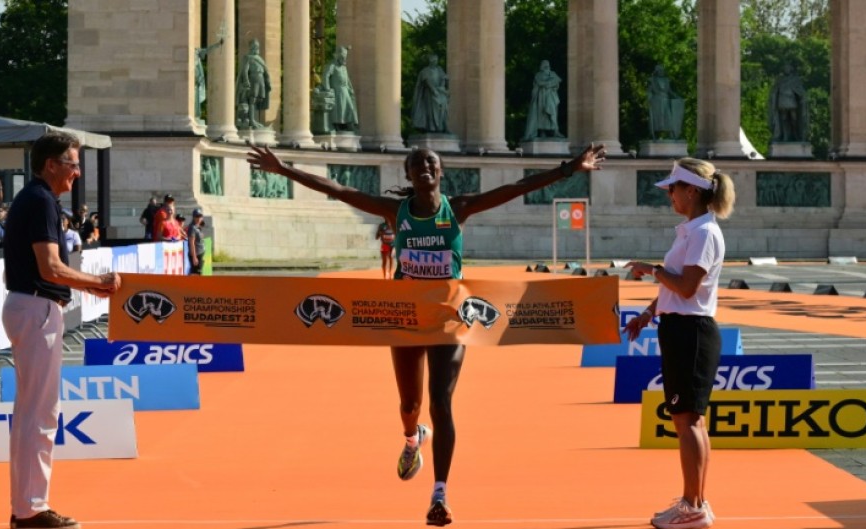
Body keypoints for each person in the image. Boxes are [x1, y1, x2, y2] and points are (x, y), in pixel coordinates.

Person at [247, 141, 606, 526]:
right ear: (408, 175)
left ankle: (440, 494)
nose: (424, 168)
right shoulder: (394, 212)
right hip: (404, 318)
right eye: (416, 164)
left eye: (431, 163)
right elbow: (339, 191)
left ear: (441, 172)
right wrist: (283, 169)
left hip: (448, 318)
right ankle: (412, 437)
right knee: (409, 406)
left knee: (441, 402)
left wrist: (570, 167)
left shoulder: (460, 208)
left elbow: (517, 188)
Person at [2, 131, 121, 529]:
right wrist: (96, 283)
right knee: (39, 415)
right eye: (72, 163)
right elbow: (50, 267)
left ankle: (27, 507)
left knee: (31, 414)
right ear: (50, 164)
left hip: (31, 305)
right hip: (36, 306)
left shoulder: (37, 199)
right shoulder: (40, 201)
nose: (77, 172)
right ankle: (31, 509)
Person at [623, 158, 736, 529]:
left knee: (686, 422)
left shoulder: (703, 232)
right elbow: (678, 286)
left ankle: (692, 505)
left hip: (691, 332)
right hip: (684, 329)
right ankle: (696, 502)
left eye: (673, 188)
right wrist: (648, 313)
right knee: (691, 421)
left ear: (692, 190)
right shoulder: (694, 230)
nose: (669, 194)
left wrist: (649, 269)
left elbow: (686, 287)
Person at [320, 46, 359, 131]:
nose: (344, 59)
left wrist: (350, 88)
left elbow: (347, 78)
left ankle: (348, 123)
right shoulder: (332, 65)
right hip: (337, 90)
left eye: (345, 57)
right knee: (339, 109)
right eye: (342, 57)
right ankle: (338, 124)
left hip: (345, 90)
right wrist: (327, 88)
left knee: (349, 107)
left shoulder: (344, 67)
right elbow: (326, 76)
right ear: (338, 56)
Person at [522, 60, 563, 141]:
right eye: (544, 64)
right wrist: (550, 83)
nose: (546, 66)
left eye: (547, 64)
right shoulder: (538, 74)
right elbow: (540, 83)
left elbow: (557, 81)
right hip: (542, 97)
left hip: (552, 97)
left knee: (553, 114)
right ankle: (542, 132)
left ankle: (556, 131)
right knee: (542, 115)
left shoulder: (553, 73)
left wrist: (548, 83)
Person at [236, 39, 271, 130]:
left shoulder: (260, 59)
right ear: (251, 47)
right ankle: (251, 120)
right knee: (252, 99)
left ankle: (255, 120)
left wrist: (268, 82)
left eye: (257, 46)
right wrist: (246, 80)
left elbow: (265, 71)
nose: (256, 48)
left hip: (261, 80)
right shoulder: (248, 57)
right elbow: (245, 70)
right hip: (254, 79)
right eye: (255, 46)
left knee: (259, 100)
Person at [768, 62, 808, 142]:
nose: (786, 69)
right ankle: (785, 136)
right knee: (784, 119)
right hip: (782, 102)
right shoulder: (780, 80)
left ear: (791, 69)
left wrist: (802, 98)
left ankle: (796, 134)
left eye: (787, 68)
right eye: (785, 68)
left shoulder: (795, 79)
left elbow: (800, 92)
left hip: (792, 102)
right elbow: (775, 91)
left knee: (794, 118)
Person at [411, 53, 449, 133]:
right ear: (430, 61)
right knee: (432, 110)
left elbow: (443, 79)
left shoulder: (439, 69)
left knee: (443, 107)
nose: (435, 62)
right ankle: (432, 127)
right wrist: (434, 90)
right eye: (434, 60)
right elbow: (427, 82)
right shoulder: (425, 71)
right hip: (430, 94)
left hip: (440, 93)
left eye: (436, 60)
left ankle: (442, 126)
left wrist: (442, 85)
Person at [647, 64, 683, 140]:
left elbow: (669, 90)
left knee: (668, 116)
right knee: (657, 118)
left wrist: (676, 96)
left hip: (665, 100)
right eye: (660, 70)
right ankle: (655, 134)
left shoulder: (666, 80)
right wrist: (649, 98)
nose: (661, 72)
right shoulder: (653, 80)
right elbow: (649, 91)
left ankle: (672, 133)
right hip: (656, 101)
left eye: (662, 70)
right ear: (657, 71)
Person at [194, 38, 224, 120]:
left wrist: (218, 44)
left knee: (196, 100)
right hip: (192, 81)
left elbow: (208, 50)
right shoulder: (193, 53)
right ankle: (195, 115)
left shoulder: (197, 52)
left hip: (196, 81)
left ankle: (196, 115)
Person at [187, 208, 206, 275]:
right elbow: (191, 243)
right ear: (193, 217)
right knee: (196, 274)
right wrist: (194, 257)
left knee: (197, 273)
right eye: (197, 216)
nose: (198, 218)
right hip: (196, 254)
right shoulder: (192, 228)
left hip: (200, 253)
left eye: (200, 216)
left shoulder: (198, 226)